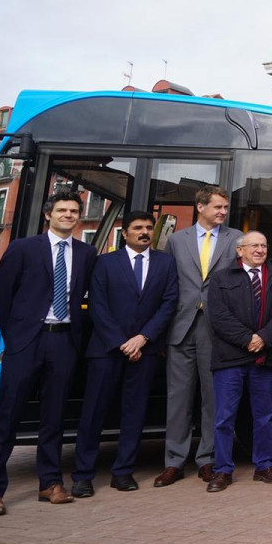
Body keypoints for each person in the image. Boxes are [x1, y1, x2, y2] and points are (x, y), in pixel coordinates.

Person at [0, 191, 96, 516]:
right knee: (8, 417)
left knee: (54, 417)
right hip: (26, 342)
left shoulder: (86, 252)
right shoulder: (23, 248)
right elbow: (0, 295)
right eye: (62, 210)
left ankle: (50, 483)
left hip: (64, 342)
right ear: (48, 215)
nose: (69, 215)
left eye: (74, 210)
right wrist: (16, 335)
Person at [71, 212, 179, 497]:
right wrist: (122, 342)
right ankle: (82, 475)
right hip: (107, 350)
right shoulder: (104, 262)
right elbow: (97, 304)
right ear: (124, 233)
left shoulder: (166, 263)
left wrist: (142, 339)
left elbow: (169, 304)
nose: (144, 232)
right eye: (137, 228)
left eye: (148, 228)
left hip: (145, 351)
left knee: (134, 412)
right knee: (94, 413)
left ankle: (123, 472)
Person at [157, 187, 242, 488]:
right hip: (180, 328)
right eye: (217, 207)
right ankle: (173, 462)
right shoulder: (177, 240)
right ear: (200, 207)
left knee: (213, 399)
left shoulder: (236, 239)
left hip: (217, 331)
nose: (223, 212)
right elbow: (167, 283)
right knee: (178, 399)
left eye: (225, 207)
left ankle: (208, 459)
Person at [204, 232, 272, 491]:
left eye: (264, 245)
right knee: (224, 417)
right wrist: (247, 339)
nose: (260, 250)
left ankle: (264, 465)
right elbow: (218, 316)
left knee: (264, 416)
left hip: (264, 359)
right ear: (240, 250)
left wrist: (263, 338)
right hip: (230, 358)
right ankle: (222, 470)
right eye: (254, 245)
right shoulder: (220, 278)